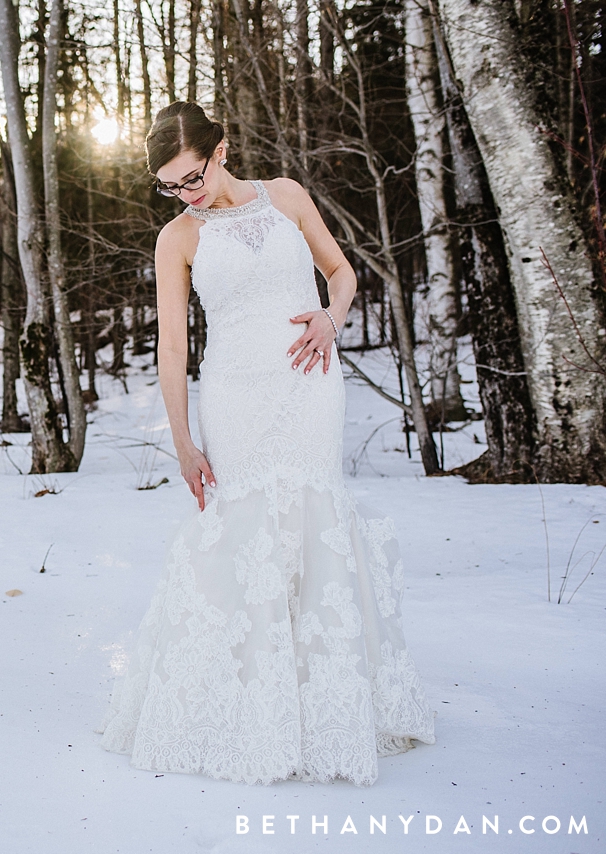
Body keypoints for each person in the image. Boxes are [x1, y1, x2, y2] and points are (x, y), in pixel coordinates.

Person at [94, 101, 436, 786]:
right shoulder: (178, 238)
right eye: (170, 185)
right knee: (244, 535)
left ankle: (328, 708)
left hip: (308, 386)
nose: (185, 194)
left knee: (314, 524)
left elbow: (341, 274)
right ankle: (248, 704)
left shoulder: (285, 196)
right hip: (235, 396)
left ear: (220, 151)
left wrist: (331, 318)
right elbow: (172, 348)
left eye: (191, 177)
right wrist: (184, 444)